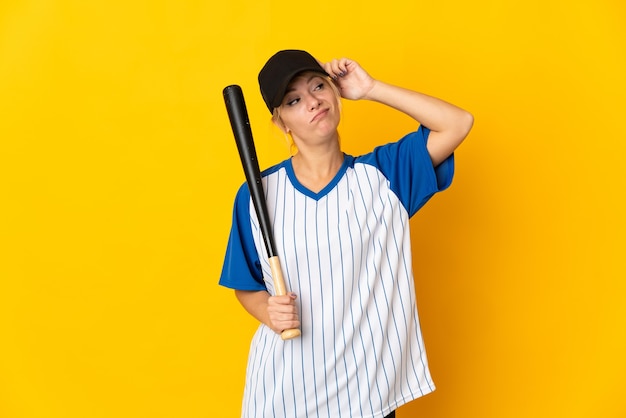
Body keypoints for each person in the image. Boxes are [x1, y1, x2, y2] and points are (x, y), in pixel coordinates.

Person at [219, 49, 473, 418]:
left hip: (368, 394)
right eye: (294, 100)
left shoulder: (386, 176)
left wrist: (370, 88)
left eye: (318, 86)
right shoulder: (258, 195)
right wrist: (268, 312)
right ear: (282, 123)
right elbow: (245, 282)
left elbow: (457, 123)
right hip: (284, 392)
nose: (312, 102)